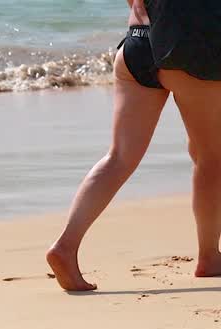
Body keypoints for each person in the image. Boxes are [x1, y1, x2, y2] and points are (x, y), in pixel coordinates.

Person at [46, 0, 169, 291]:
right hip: (181, 47)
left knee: (118, 157)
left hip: (134, 43)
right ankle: (208, 255)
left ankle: (66, 245)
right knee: (208, 156)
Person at [147, 0, 221, 280]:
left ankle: (211, 247)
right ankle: (209, 255)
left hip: (165, 45)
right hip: (204, 47)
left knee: (204, 148)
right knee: (211, 156)